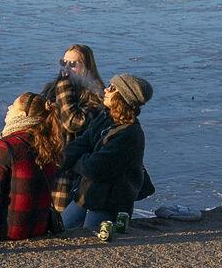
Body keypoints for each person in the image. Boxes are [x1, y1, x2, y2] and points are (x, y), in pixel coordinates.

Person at [0, 92, 64, 244]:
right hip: (40, 226)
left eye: (13, 105)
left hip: (10, 230)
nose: (9, 107)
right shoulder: (48, 141)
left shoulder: (5, 146)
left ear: (22, 115)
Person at [60, 74, 153, 231]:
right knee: (62, 229)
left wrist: (80, 160)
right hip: (86, 194)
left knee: (93, 241)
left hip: (109, 202)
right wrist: (55, 159)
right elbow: (80, 144)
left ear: (123, 98)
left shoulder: (129, 133)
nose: (106, 90)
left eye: (112, 88)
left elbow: (94, 168)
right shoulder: (105, 118)